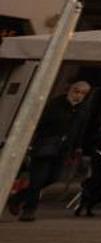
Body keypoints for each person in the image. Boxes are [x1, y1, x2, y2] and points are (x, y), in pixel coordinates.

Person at [15, 80, 94, 221]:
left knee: (53, 177)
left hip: (64, 148)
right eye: (76, 91)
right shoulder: (55, 104)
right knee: (38, 178)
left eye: (83, 93)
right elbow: (41, 123)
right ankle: (29, 209)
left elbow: (81, 129)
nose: (78, 95)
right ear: (69, 89)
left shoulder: (83, 109)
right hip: (46, 145)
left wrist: (77, 147)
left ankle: (19, 197)